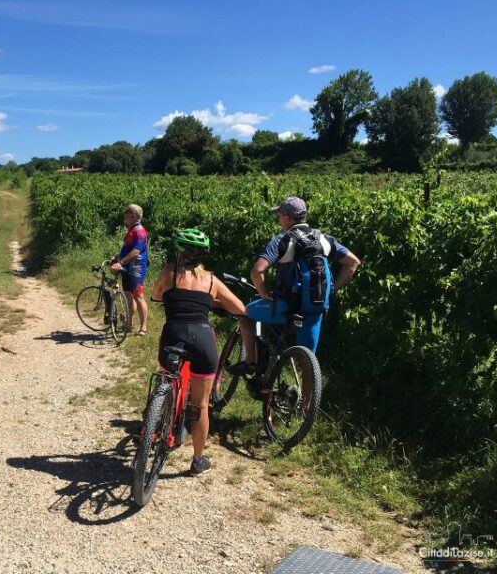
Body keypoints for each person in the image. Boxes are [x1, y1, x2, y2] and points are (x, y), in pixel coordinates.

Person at [229, 197, 361, 392]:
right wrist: (332, 289)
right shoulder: (323, 239)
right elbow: (353, 263)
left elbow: (257, 272)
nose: (279, 220)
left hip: (285, 306)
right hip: (314, 307)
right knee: (308, 359)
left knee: (244, 314)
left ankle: (251, 362)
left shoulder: (282, 240)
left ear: (287, 217)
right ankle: (306, 405)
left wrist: (264, 293)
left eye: (280, 216)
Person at [151, 228, 246, 475]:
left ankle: (157, 424)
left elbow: (156, 295)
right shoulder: (212, 281)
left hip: (173, 335)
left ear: (179, 253)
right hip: (203, 340)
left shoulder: (170, 272)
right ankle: (197, 460)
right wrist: (211, 301)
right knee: (201, 405)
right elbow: (240, 308)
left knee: (167, 380)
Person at [110, 204, 149, 336]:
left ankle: (143, 328)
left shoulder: (139, 231)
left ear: (133, 215)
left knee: (138, 296)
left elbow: (136, 251)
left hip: (136, 269)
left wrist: (120, 262)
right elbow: (129, 249)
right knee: (128, 296)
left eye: (127, 212)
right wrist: (117, 257)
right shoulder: (132, 230)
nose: (124, 214)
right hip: (127, 267)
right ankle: (129, 324)